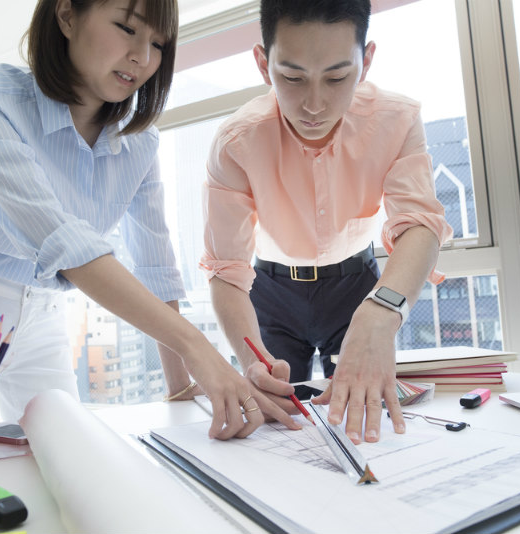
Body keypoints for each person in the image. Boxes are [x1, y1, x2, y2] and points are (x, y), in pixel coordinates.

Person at [0, 0, 298, 439]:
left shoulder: (139, 144)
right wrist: (198, 347)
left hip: (44, 311)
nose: (143, 59)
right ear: (67, 15)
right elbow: (59, 238)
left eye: (158, 44)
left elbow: (156, 268)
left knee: (68, 454)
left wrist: (183, 388)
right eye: (127, 29)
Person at [201, 0, 452, 444]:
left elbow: (420, 224)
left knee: (364, 415)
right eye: (292, 77)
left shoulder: (397, 121)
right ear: (263, 63)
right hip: (271, 292)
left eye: (337, 77)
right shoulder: (236, 142)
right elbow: (226, 270)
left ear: (366, 61)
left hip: (358, 286)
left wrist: (383, 311)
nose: (314, 104)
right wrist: (248, 359)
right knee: (277, 425)